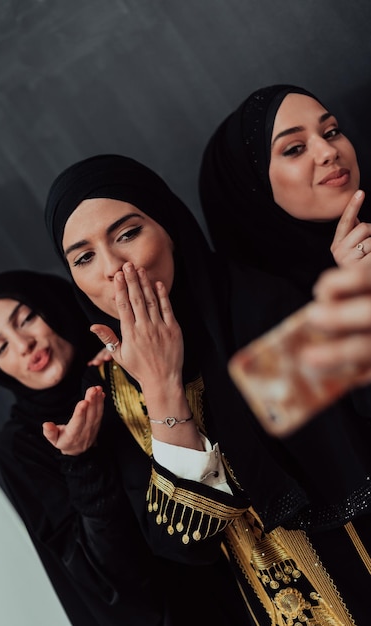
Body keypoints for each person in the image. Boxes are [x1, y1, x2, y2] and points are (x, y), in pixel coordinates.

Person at [44, 153, 371, 625]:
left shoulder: (261, 309)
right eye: (85, 257)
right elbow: (183, 545)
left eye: (128, 233)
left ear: (170, 228)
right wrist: (160, 388)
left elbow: (318, 459)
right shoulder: (109, 387)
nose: (113, 268)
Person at [0, 268, 250, 625]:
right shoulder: (23, 444)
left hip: (262, 558)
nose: (24, 345)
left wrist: (132, 376)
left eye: (26, 319)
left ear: (53, 305)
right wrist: (81, 462)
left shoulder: (141, 350)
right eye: (1, 348)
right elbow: (107, 584)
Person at [198, 85, 371, 624]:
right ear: (252, 185)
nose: (328, 151)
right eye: (293, 149)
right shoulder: (251, 311)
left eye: (332, 130)